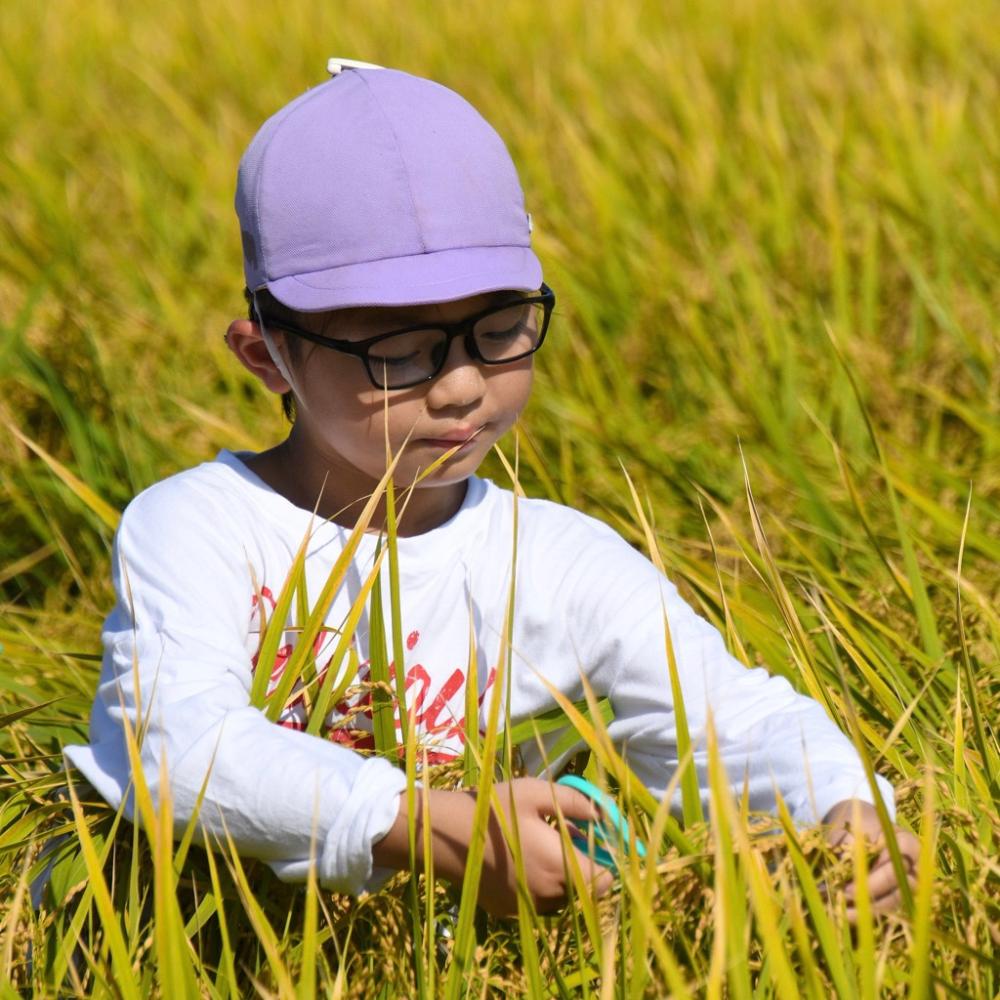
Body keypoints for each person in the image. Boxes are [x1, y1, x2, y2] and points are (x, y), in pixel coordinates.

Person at [64, 62, 918, 918]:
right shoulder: (199, 526)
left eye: (501, 328)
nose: (464, 387)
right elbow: (175, 746)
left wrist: (845, 810)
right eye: (397, 348)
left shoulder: (555, 559)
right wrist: (439, 831)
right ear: (266, 355)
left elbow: (735, 721)